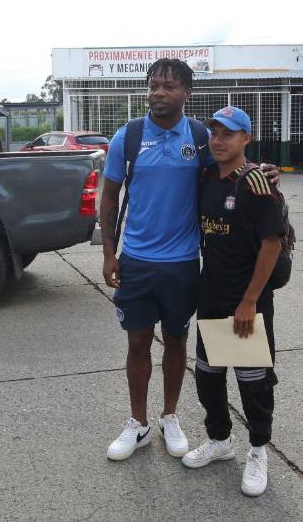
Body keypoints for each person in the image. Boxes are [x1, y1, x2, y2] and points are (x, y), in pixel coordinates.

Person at [100, 59, 278, 462]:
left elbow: (232, 168)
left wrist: (264, 171)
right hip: (137, 262)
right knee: (138, 342)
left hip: (183, 263)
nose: (158, 93)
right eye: (153, 85)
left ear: (186, 93)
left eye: (168, 86)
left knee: (178, 342)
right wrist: (110, 252)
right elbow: (109, 197)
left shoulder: (200, 137)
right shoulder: (126, 138)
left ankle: (170, 416)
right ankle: (138, 423)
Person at [182, 106, 283, 497]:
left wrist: (250, 301)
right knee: (209, 375)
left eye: (228, 133)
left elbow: (271, 244)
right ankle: (220, 441)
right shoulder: (207, 176)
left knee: (253, 381)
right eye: (214, 133)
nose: (219, 140)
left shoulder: (256, 183)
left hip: (248, 300)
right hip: (212, 295)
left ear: (246, 139)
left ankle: (259, 449)